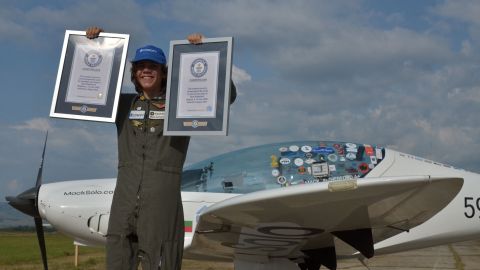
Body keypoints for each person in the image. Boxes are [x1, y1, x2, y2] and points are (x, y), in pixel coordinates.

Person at [86, 27, 236, 270]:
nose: (147, 70)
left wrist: (206, 53)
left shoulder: (182, 104)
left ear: (163, 73)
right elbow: (89, 93)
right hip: (125, 193)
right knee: (118, 253)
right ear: (134, 73)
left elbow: (225, 97)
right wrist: (92, 45)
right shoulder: (121, 104)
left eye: (153, 66)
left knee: (162, 256)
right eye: (141, 66)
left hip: (162, 194)